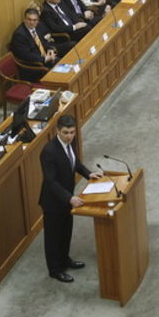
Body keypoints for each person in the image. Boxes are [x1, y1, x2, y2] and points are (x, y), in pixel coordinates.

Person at [40, 114, 102, 283]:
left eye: (72, 132)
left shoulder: (71, 143)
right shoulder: (49, 151)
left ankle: (65, 259)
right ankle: (55, 270)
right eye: (66, 133)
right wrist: (69, 198)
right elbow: (50, 182)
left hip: (67, 198)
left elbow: (75, 163)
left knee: (66, 231)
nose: (69, 136)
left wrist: (89, 174)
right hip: (54, 201)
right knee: (53, 237)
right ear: (58, 131)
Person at [10, 8, 70, 82]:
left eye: (34, 20)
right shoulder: (19, 35)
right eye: (29, 19)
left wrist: (50, 49)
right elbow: (25, 55)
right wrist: (45, 59)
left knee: (65, 66)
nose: (32, 22)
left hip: (44, 59)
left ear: (38, 20)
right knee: (60, 73)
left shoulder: (38, 27)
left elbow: (43, 42)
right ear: (24, 19)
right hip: (34, 66)